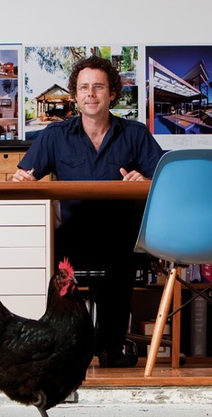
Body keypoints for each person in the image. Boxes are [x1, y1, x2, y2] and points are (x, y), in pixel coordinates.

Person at [13, 55, 164, 367]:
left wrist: (146, 181)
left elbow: (166, 182)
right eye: (84, 87)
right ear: (75, 94)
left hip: (120, 236)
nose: (90, 94)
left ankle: (111, 346)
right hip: (72, 236)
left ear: (112, 93)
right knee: (41, 257)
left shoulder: (135, 134)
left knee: (120, 260)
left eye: (98, 87)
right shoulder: (55, 136)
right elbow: (23, 179)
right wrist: (23, 180)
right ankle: (64, 344)